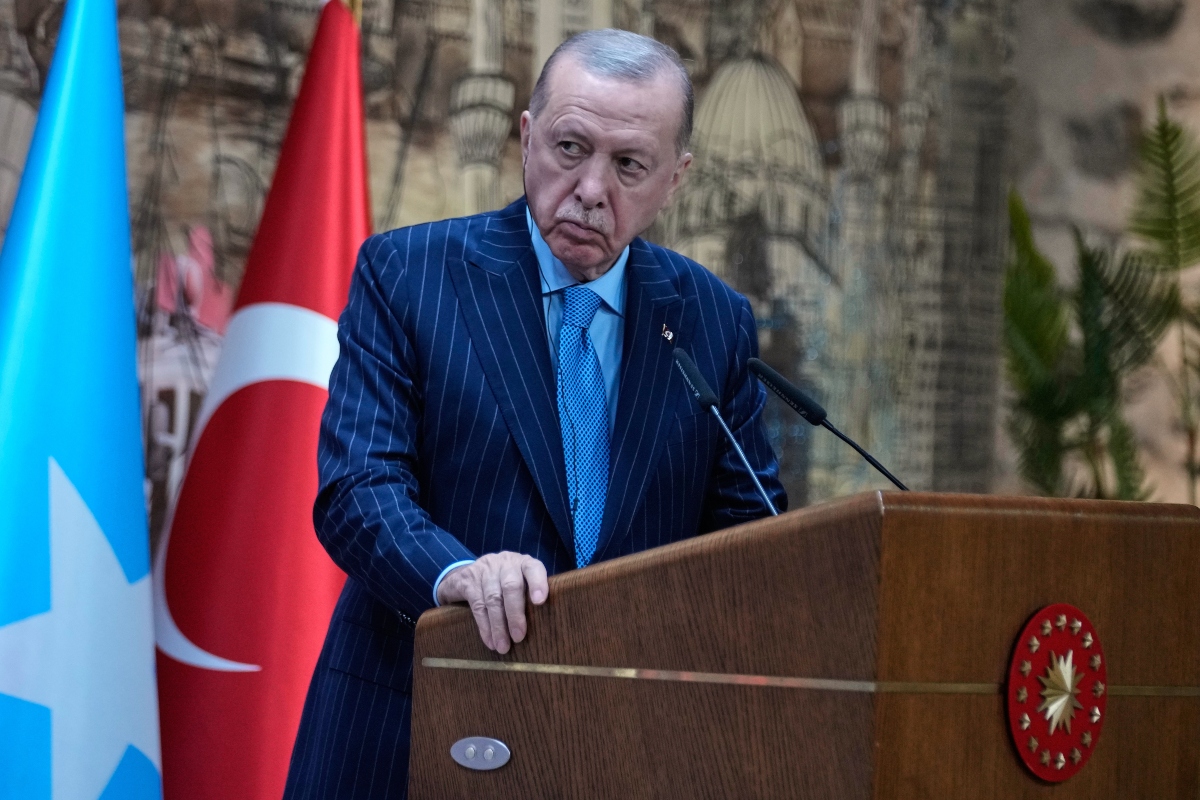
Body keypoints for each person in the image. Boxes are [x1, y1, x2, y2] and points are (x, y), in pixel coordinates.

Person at [283, 28, 786, 799]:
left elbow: (750, 539)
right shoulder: (409, 275)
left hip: (617, 754)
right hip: (410, 733)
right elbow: (357, 492)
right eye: (569, 148)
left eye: (627, 165)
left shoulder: (712, 321)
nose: (590, 188)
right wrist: (456, 574)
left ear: (675, 180)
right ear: (525, 138)